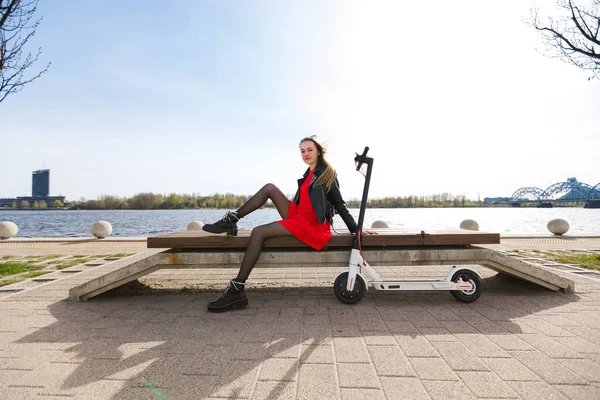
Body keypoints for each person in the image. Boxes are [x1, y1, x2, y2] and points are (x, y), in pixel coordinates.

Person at [202, 136, 358, 312]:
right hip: (299, 216)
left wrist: (356, 230)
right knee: (270, 188)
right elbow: (304, 202)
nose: (305, 154)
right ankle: (231, 220)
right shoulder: (309, 174)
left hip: (312, 226)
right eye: (302, 151)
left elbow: (340, 205)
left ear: (319, 151)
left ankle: (236, 289)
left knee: (258, 232)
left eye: (309, 150)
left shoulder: (327, 174)